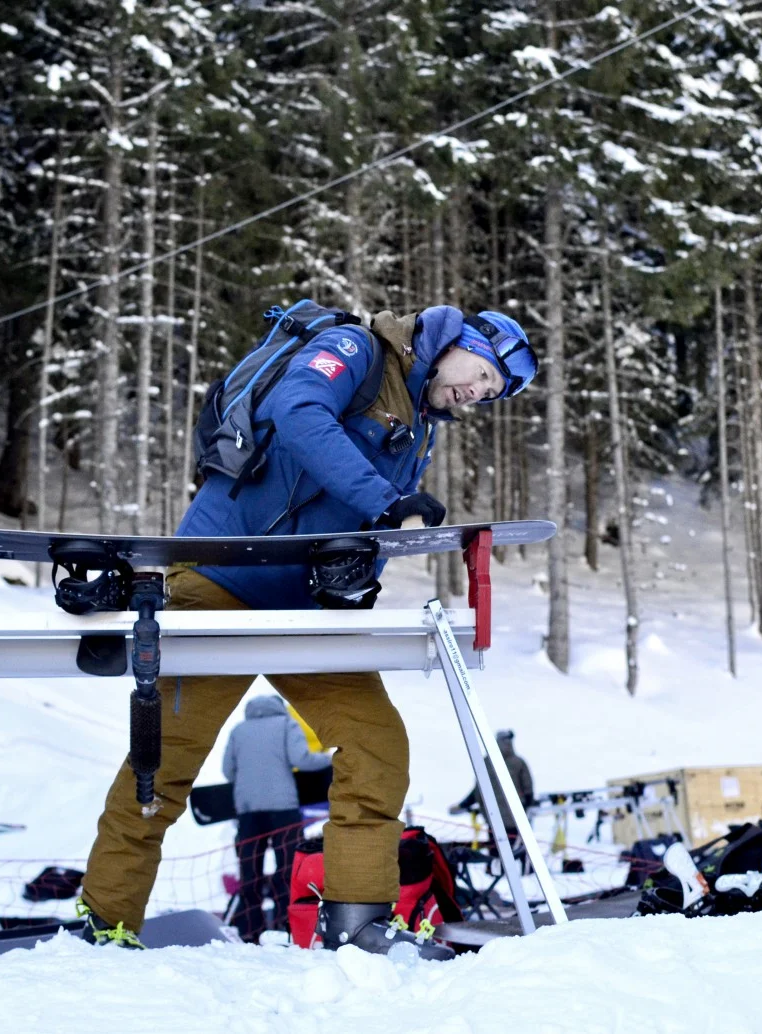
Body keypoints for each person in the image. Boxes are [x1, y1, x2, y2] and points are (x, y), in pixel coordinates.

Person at [76, 304, 537, 960]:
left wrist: (357, 576)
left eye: (491, 394)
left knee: (377, 747)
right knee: (163, 766)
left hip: (304, 611)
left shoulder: (417, 425)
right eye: (484, 373)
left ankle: (359, 926)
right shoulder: (355, 349)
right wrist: (385, 500)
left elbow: (354, 526)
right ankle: (104, 923)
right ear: (454, 340)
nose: (478, 393)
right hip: (217, 583)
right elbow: (298, 413)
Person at [221, 694, 333, 943]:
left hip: (248, 811)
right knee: (289, 870)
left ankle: (249, 930)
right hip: (284, 809)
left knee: (249, 873)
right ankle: (290, 927)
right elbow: (301, 759)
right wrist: (327, 760)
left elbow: (228, 771)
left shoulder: (239, 730)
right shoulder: (286, 724)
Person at [448, 730, 535, 837]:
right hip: (517, 821)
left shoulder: (486, 763)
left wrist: (463, 805)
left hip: (494, 820)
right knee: (516, 851)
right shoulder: (519, 762)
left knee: (496, 850)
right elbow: (528, 791)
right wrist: (528, 808)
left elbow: (478, 792)